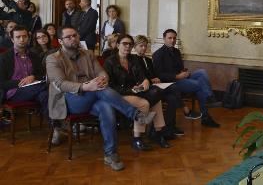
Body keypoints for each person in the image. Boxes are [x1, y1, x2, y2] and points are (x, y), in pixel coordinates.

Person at [45, 26, 156, 171]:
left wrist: (103, 79)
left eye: (75, 35)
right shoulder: (53, 58)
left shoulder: (88, 54)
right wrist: (87, 87)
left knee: (106, 107)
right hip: (69, 100)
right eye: (69, 37)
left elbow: (102, 72)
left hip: (94, 94)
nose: (73, 39)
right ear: (60, 41)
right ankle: (136, 115)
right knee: (99, 90)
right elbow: (60, 83)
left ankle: (110, 154)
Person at [104, 34, 171, 150]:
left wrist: (145, 81)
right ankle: (137, 139)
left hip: (136, 91)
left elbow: (142, 76)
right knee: (144, 103)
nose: (128, 47)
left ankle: (158, 133)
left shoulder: (133, 59)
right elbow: (110, 87)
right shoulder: (110, 62)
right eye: (125, 44)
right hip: (119, 94)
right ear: (118, 45)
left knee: (157, 101)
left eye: (130, 44)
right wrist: (131, 90)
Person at [153, 29, 220, 128]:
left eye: (174, 38)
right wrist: (177, 76)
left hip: (181, 78)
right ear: (164, 39)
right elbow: (159, 74)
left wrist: (184, 72)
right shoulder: (158, 54)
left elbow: (180, 68)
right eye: (170, 38)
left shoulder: (176, 51)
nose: (172, 40)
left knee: (202, 72)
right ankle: (206, 115)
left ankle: (210, 99)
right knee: (199, 85)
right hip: (171, 83)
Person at [134, 35, 184, 137]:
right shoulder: (133, 60)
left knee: (172, 99)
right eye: (141, 46)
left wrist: (156, 78)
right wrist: (151, 80)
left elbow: (154, 74)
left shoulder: (148, 60)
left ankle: (168, 128)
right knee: (174, 87)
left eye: (145, 46)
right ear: (135, 47)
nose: (144, 48)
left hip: (155, 87)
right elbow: (138, 78)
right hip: (144, 89)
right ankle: (185, 109)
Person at [0, 26, 48, 118]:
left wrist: (33, 77)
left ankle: (54, 126)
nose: (22, 39)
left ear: (28, 38)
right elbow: (1, 83)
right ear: (12, 39)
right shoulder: (4, 57)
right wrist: (22, 82)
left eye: (24, 36)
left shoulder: (34, 56)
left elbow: (41, 74)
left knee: (44, 95)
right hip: (14, 92)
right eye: (18, 37)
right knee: (46, 87)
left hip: (34, 89)